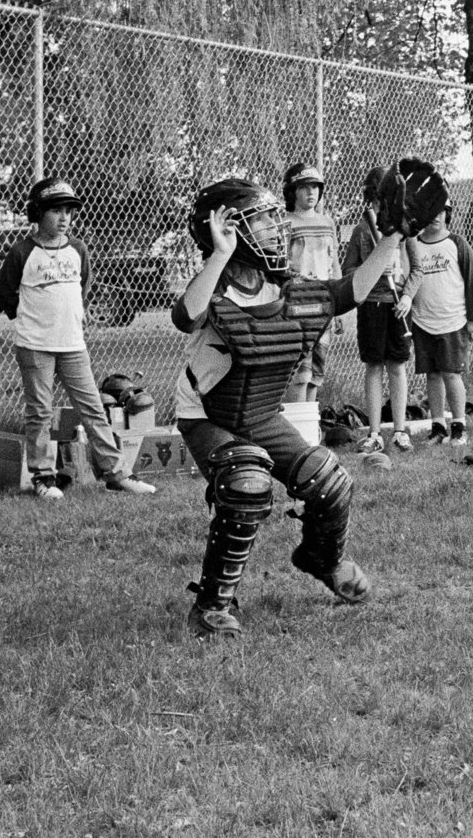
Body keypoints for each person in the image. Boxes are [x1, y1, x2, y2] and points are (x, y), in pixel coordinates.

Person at [171, 168, 427, 637]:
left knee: (330, 480)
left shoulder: (284, 284)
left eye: (273, 219)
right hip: (207, 414)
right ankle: (211, 607)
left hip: (261, 411)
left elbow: (347, 291)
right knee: (248, 482)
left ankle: (320, 559)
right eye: (261, 222)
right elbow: (186, 317)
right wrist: (220, 254)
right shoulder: (214, 287)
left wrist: (392, 237)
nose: (274, 229)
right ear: (225, 229)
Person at [0, 176, 155, 500]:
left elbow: (82, 288)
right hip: (35, 346)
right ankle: (43, 477)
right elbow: (6, 294)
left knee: (93, 408)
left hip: (72, 345)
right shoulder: (22, 252)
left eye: (69, 210)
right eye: (56, 210)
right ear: (37, 214)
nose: (64, 217)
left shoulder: (78, 250)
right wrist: (32, 323)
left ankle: (116, 473)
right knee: (40, 411)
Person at [342, 165, 413, 458]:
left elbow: (416, 268)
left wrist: (407, 295)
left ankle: (399, 430)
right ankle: (374, 432)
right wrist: (370, 267)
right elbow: (348, 270)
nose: (380, 206)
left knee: (397, 365)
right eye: (377, 200)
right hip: (371, 304)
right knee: (373, 365)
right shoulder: (361, 231)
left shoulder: (404, 229)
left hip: (398, 306)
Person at [396, 206, 473, 446]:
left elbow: (472, 280)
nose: (435, 215)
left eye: (441, 211)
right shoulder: (414, 244)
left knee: (451, 373)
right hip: (423, 320)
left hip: (453, 319)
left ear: (447, 214)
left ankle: (459, 425)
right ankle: (438, 426)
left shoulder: (457, 243)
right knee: (432, 375)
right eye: (431, 210)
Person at [281, 162, 340, 405]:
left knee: (317, 369)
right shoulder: (285, 222)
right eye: (304, 187)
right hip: (298, 302)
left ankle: (310, 424)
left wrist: (338, 306)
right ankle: (297, 425)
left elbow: (334, 262)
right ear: (292, 191)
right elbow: (279, 264)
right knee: (300, 369)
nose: (311, 192)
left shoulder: (327, 222)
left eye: (315, 187)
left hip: (324, 302)